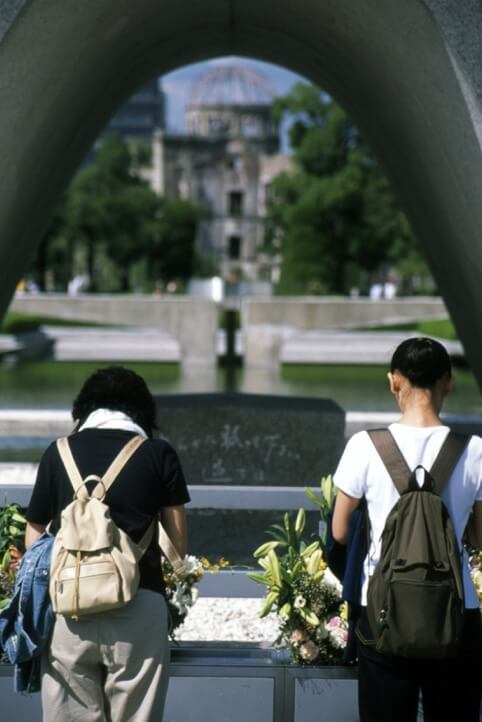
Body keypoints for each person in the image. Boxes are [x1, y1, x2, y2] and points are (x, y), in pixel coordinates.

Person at [25, 366, 190, 722]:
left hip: (70, 611)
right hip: (139, 606)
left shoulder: (58, 453)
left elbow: (34, 533)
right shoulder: (159, 454)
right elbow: (178, 545)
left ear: (83, 410)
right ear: (143, 412)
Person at [332, 337, 482, 722]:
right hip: (455, 611)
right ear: (448, 383)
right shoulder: (476, 451)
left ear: (393, 381)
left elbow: (339, 532)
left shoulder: (365, 446)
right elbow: (480, 538)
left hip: (383, 610)